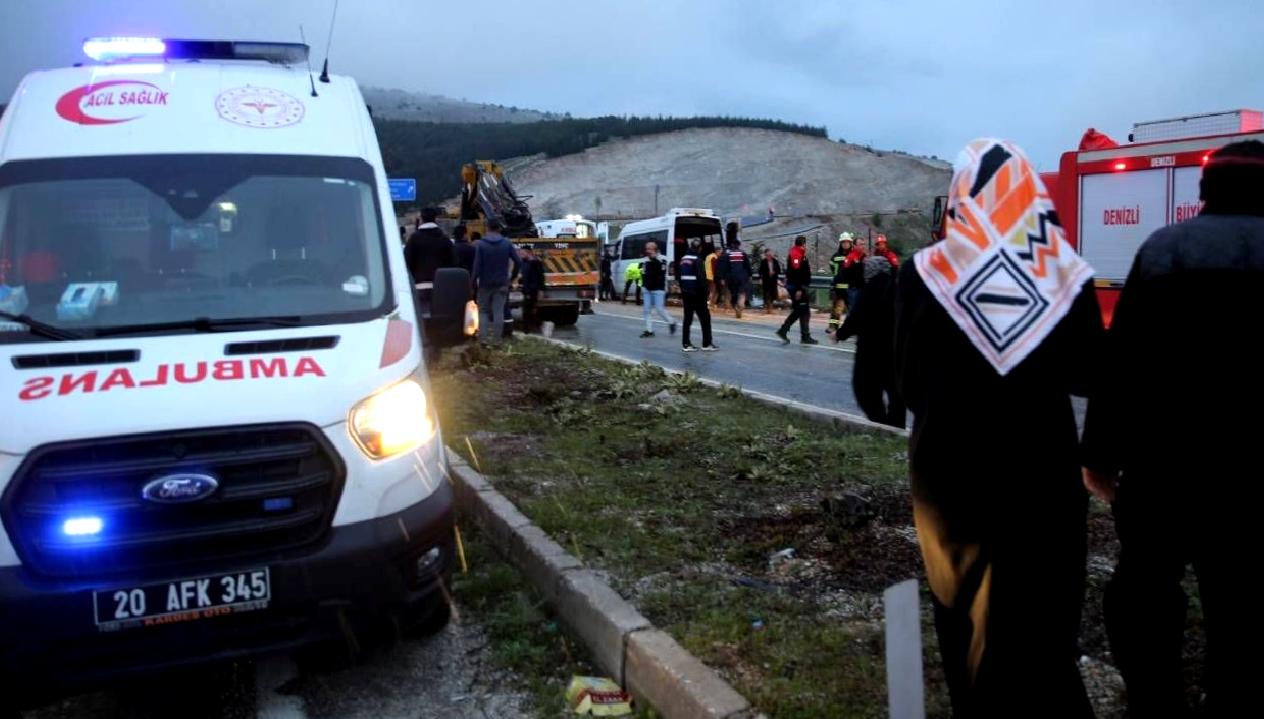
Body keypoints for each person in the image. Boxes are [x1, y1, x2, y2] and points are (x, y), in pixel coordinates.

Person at [895, 138, 1102, 718]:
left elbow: (907, 384)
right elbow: (1088, 375)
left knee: (963, 620)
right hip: (1042, 477)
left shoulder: (922, 275)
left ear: (961, 196)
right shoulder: (1066, 274)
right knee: (1044, 627)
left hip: (948, 477)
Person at [1080, 140, 1264, 718]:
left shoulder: (1164, 249)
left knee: (1145, 587)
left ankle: (1156, 700)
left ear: (1205, 190)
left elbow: (1122, 362)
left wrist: (1099, 455)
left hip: (1165, 465)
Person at [835, 255, 904, 427]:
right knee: (895, 391)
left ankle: (880, 424)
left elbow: (857, 316)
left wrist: (840, 334)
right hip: (896, 349)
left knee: (864, 389)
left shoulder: (872, 289)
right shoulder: (899, 288)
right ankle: (896, 426)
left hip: (870, 349)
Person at [471, 218, 521, 346]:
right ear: (499, 228)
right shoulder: (506, 243)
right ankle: (497, 341)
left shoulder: (481, 244)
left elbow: (477, 266)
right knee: (498, 311)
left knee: (483, 311)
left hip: (485, 283)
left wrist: (472, 282)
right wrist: (512, 277)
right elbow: (518, 261)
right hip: (502, 283)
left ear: (487, 227)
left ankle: (483, 339)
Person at [404, 207, 455, 303]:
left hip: (419, 285)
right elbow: (453, 262)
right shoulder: (445, 239)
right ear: (435, 219)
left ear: (421, 219)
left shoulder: (413, 239)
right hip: (442, 286)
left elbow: (406, 263)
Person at [775, 236, 818, 345]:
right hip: (798, 288)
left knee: (801, 310)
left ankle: (788, 331)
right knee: (803, 310)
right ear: (803, 244)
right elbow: (797, 272)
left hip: (798, 287)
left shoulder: (797, 253)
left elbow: (794, 271)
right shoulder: (797, 254)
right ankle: (801, 335)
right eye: (805, 244)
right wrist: (800, 289)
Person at [676, 240, 716, 352]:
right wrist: (706, 293)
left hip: (686, 293)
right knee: (705, 318)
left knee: (687, 319)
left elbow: (679, 277)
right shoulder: (697, 259)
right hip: (698, 294)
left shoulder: (683, 259)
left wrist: (683, 291)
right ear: (699, 248)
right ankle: (706, 343)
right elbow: (701, 278)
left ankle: (686, 344)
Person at [638, 242, 675, 338]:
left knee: (659, 309)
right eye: (646, 249)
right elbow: (643, 273)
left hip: (658, 288)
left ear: (655, 249)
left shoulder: (662, 259)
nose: (647, 251)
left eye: (650, 249)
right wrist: (643, 285)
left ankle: (671, 322)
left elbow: (661, 272)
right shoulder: (644, 260)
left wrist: (654, 259)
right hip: (647, 289)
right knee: (646, 310)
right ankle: (649, 331)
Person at [828, 232, 856, 333]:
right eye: (843, 242)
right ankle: (833, 327)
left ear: (850, 243)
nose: (845, 244)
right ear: (840, 243)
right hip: (838, 287)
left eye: (847, 242)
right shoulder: (836, 256)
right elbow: (832, 267)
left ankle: (852, 329)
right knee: (836, 308)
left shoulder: (854, 255)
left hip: (850, 287)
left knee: (853, 309)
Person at [718, 239, 752, 319]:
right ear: (739, 245)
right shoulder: (743, 254)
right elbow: (747, 266)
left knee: (734, 293)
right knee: (742, 292)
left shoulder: (727, 255)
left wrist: (722, 278)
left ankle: (736, 306)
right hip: (742, 277)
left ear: (732, 245)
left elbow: (724, 268)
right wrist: (750, 276)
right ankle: (740, 305)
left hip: (731, 277)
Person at [518, 246, 545, 332]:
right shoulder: (524, 262)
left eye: (522, 253)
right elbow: (525, 276)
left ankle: (528, 329)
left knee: (527, 310)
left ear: (529, 253)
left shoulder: (535, 263)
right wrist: (520, 281)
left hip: (533, 289)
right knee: (528, 310)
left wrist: (541, 290)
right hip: (526, 289)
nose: (521, 255)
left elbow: (540, 277)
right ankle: (536, 326)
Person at [757, 247, 782, 313]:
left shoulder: (775, 261)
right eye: (767, 255)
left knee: (773, 294)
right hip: (766, 280)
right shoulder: (763, 262)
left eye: (770, 255)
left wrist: (774, 272)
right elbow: (760, 271)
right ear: (765, 255)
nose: (769, 256)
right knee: (767, 293)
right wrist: (760, 278)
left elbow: (779, 270)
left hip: (773, 280)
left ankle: (770, 306)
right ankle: (769, 307)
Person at [704, 242, 724, 309]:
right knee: (713, 291)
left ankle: (710, 304)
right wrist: (717, 277)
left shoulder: (708, 256)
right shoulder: (714, 257)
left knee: (711, 290)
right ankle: (710, 304)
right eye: (720, 253)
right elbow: (714, 268)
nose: (720, 254)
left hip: (707, 276)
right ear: (717, 251)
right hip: (712, 277)